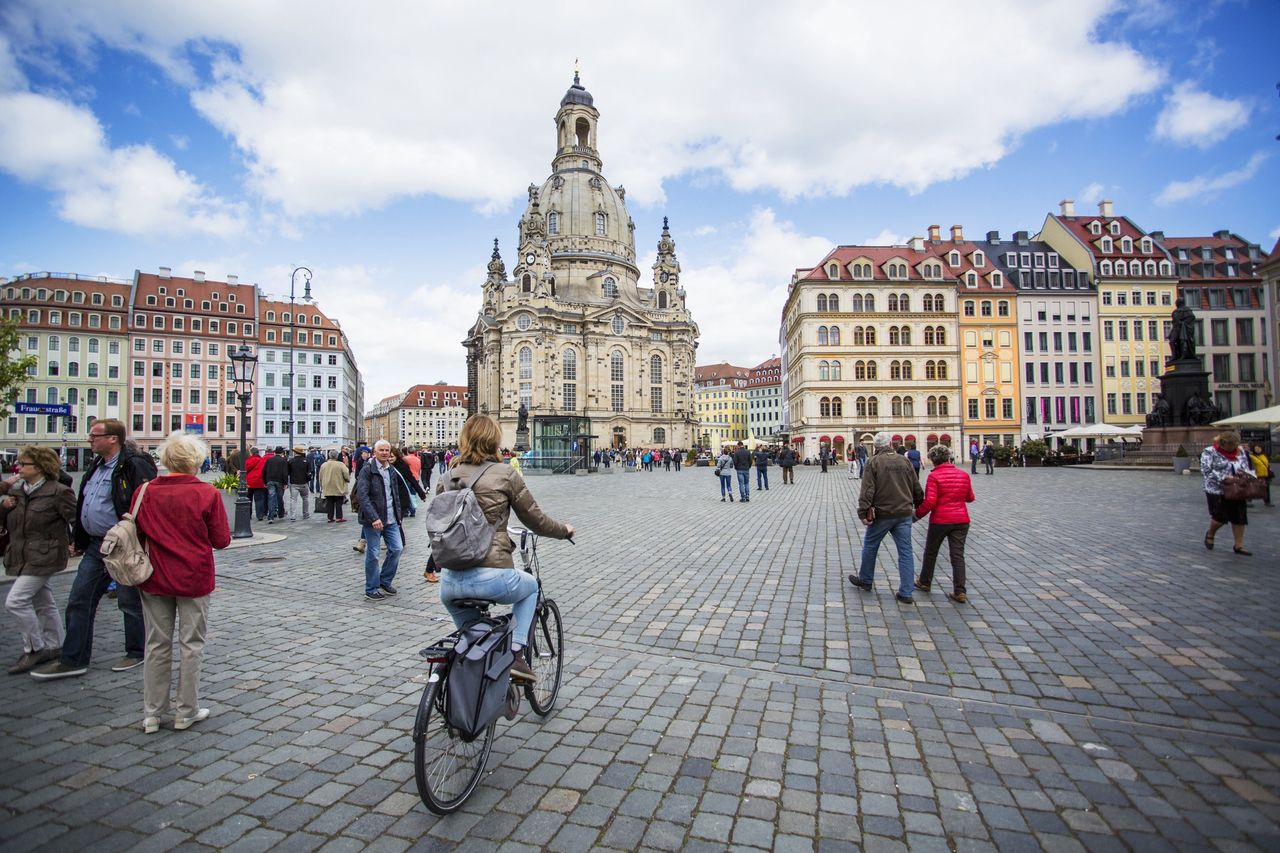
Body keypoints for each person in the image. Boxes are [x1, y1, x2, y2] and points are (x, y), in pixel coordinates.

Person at [437, 414, 573, 684]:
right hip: (492, 575)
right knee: (531, 587)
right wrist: (564, 531)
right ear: (495, 440)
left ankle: (471, 698)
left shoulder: (447, 477)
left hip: (450, 582)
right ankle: (516, 653)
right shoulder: (505, 474)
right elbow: (536, 520)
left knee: (475, 642)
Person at [31, 419, 156, 680]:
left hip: (124, 544)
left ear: (113, 438)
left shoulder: (133, 464)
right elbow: (83, 503)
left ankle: (136, 651)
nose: (90, 439)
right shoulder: (96, 465)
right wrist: (79, 537)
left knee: (129, 601)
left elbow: (148, 500)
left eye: (95, 435)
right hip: (97, 544)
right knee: (79, 598)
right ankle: (74, 658)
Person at [133, 432, 231, 733]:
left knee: (156, 644)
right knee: (191, 645)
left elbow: (136, 533)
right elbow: (221, 540)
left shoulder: (144, 491)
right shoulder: (206, 493)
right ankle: (185, 711)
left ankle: (152, 713)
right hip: (193, 577)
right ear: (197, 461)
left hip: (154, 577)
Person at [2, 447, 76, 674]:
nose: (19, 467)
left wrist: (74, 543)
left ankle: (35, 648)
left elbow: (75, 518)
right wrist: (3, 506)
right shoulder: (17, 491)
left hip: (46, 554)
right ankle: (57, 644)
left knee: (15, 601)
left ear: (41, 467)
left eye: (24, 464)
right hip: (23, 553)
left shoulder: (58, 492)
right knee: (43, 600)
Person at [848, 431, 924, 604]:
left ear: (876, 447)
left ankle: (866, 579)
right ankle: (906, 592)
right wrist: (919, 502)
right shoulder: (904, 461)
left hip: (883, 513)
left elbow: (867, 490)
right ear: (890, 444)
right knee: (905, 551)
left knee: (871, 545)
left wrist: (863, 511)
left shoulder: (873, 462)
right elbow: (915, 484)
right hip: (904, 512)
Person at [913, 445, 975, 604]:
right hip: (961, 520)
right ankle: (960, 591)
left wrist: (916, 516)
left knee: (931, 551)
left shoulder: (934, 476)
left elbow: (930, 502)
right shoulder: (963, 474)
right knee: (957, 555)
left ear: (933, 461)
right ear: (949, 458)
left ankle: (925, 582)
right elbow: (969, 497)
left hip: (940, 520)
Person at [356, 440, 405, 601]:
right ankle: (371, 588)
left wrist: (399, 516)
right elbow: (362, 496)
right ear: (374, 452)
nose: (384, 453)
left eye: (387, 450)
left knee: (397, 548)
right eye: (381, 450)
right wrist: (373, 517)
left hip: (391, 519)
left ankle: (384, 580)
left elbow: (394, 495)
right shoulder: (367, 470)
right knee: (374, 554)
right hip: (374, 520)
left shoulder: (390, 469)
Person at [1200, 431, 1258, 555]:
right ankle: (1210, 533)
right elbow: (1206, 470)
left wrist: (1243, 473)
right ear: (1222, 444)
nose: (1232, 448)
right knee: (1220, 517)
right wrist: (1224, 477)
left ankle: (1239, 545)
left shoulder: (1240, 451)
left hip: (1237, 487)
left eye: (1234, 446)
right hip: (1216, 489)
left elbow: (1245, 465)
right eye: (1230, 446)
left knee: (1239, 516)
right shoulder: (1209, 451)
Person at [390, 446, 427, 518]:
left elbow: (412, 479)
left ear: (396, 456)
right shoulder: (384, 466)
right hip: (388, 498)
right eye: (388, 457)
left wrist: (421, 494)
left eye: (392, 457)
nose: (390, 459)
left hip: (400, 497)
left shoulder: (402, 465)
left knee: (397, 522)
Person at [319, 450, 351, 523]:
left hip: (327, 486)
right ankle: (339, 517)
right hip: (338, 486)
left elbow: (320, 477)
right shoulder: (341, 464)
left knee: (329, 502)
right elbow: (346, 474)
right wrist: (347, 479)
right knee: (339, 502)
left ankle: (330, 517)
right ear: (337, 456)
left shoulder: (324, 465)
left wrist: (321, 486)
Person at [286, 445, 312, 522]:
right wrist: (307, 480)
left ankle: (293, 516)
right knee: (305, 498)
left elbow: (288, 472)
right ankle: (305, 514)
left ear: (295, 452)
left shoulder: (291, 461)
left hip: (294, 483)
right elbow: (309, 473)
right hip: (303, 483)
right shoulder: (306, 460)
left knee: (293, 499)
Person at [244, 447, 267, 520]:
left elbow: (245, 470)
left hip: (249, 482)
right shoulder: (262, 461)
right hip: (259, 482)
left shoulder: (248, 460)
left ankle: (248, 515)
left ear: (251, 453)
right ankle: (260, 515)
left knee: (248, 499)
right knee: (259, 500)